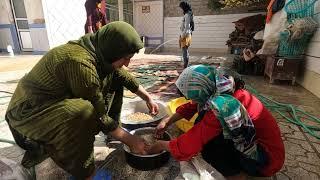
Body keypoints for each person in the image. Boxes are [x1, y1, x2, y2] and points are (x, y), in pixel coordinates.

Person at [5, 21, 159, 180]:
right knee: (84, 111)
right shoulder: (80, 63)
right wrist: (131, 140)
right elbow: (98, 114)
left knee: (113, 76)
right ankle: (84, 173)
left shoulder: (98, 50)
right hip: (28, 112)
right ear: (113, 51)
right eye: (126, 57)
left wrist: (147, 98)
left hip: (51, 102)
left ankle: (111, 133)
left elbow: (123, 76)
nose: (128, 63)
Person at [149, 65, 285, 180]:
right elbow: (191, 106)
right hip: (261, 146)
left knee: (210, 147)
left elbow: (188, 144)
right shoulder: (220, 85)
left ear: (202, 91)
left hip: (266, 159)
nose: (192, 101)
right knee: (204, 128)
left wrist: (159, 145)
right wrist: (167, 121)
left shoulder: (222, 106)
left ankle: (240, 174)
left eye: (193, 97)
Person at [179, 1, 194, 68]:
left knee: (184, 51)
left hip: (186, 35)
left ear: (184, 7)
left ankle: (186, 66)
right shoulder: (189, 14)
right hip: (187, 34)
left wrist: (182, 35)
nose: (181, 9)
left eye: (182, 7)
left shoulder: (187, 15)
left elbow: (187, 26)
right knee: (185, 50)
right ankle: (186, 64)